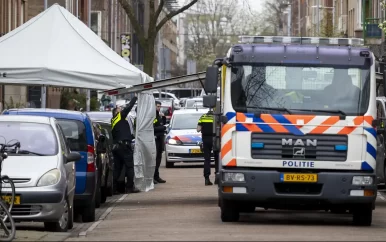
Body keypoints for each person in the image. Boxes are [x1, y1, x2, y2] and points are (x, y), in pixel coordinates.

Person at [111, 95, 140, 194]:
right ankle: (129, 187)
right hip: (124, 146)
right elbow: (129, 107)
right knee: (129, 167)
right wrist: (135, 97)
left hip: (117, 147)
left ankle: (114, 189)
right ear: (116, 113)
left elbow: (122, 133)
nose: (121, 109)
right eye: (119, 109)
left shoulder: (114, 121)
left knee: (117, 169)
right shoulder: (119, 117)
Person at [197, 109, 219, 186]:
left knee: (207, 159)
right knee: (217, 158)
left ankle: (207, 178)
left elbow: (198, 129)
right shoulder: (216, 117)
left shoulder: (203, 117)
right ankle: (217, 177)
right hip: (215, 139)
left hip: (206, 140)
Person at [153, 101, 167, 184]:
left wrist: (164, 118)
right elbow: (153, 128)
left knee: (158, 159)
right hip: (155, 138)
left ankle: (157, 176)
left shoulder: (158, 115)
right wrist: (162, 128)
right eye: (158, 106)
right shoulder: (153, 116)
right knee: (155, 159)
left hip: (160, 138)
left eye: (160, 106)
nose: (159, 108)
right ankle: (153, 177)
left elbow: (161, 123)